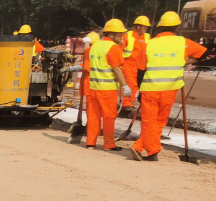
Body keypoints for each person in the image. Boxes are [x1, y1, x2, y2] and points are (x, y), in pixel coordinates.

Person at [129, 11, 207, 162]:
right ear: (176, 28)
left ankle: (144, 148)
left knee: (148, 121)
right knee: (160, 121)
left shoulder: (148, 44)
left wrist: (140, 90)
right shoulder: (183, 42)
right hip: (170, 88)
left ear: (159, 28)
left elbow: (140, 71)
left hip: (150, 89)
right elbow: (206, 55)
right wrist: (187, 62)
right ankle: (146, 149)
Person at [86, 19, 130, 151]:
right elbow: (117, 69)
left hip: (94, 88)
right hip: (107, 90)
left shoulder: (95, 47)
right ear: (112, 34)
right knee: (109, 117)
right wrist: (125, 86)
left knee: (93, 116)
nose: (121, 36)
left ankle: (90, 143)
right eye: (119, 34)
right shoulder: (113, 48)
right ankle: (109, 144)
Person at [120, 15, 151, 111]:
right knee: (131, 83)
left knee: (136, 85)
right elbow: (119, 49)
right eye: (144, 26)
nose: (146, 28)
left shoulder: (147, 37)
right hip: (128, 63)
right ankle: (126, 104)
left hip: (140, 65)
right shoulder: (127, 36)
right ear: (138, 26)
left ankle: (129, 102)